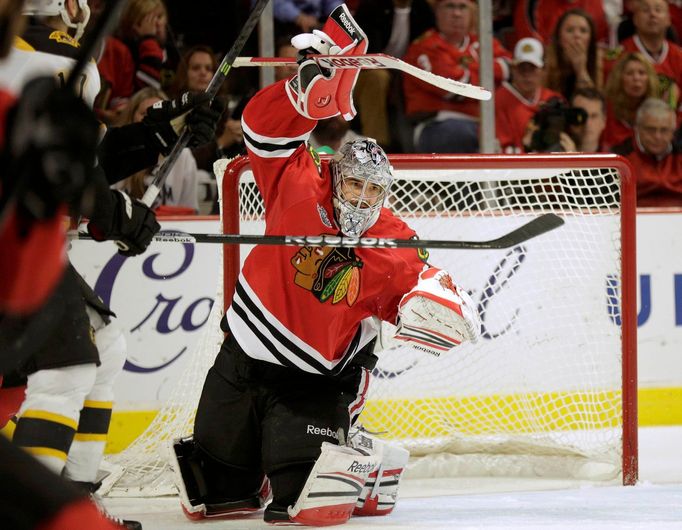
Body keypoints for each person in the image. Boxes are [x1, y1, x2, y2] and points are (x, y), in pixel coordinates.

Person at [169, 4, 481, 527]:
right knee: (214, 494)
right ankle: (265, 458)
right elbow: (262, 131)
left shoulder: (392, 238)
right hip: (244, 354)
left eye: (375, 190)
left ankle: (364, 459)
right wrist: (302, 96)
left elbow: (430, 282)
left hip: (316, 378)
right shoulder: (296, 183)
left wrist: (440, 308)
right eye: (354, 183)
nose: (362, 197)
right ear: (335, 175)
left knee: (306, 503)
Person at [403, 0, 511, 153]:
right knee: (468, 134)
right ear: (437, 12)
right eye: (450, 6)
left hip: (482, 124)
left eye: (462, 7)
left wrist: (467, 69)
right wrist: (489, 74)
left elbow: (509, 69)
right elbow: (456, 90)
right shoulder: (424, 47)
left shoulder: (482, 42)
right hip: (438, 125)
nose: (457, 14)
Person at [352, 0, 434, 147]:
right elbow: (366, 55)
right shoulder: (371, 7)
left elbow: (427, 48)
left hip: (407, 71)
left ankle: (418, 144)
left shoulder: (422, 9)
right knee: (379, 78)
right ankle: (376, 145)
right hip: (365, 72)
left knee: (416, 78)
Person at [113, 87, 207, 213]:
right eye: (145, 114)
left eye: (159, 115)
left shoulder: (183, 156)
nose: (152, 121)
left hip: (171, 230)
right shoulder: (116, 151)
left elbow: (190, 211)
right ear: (131, 117)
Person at [611, 0, 682, 112]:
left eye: (658, 10)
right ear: (635, 19)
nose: (653, 14)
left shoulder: (680, 56)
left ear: (669, 19)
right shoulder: (617, 56)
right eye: (646, 10)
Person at [495, 37, 564, 153]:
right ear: (513, 69)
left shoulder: (554, 100)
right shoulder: (499, 100)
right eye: (522, 69)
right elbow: (501, 149)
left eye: (532, 69)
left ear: (543, 70)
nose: (527, 75)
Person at [612, 97, 682, 205]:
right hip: (635, 218)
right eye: (651, 129)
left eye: (664, 130)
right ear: (637, 128)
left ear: (673, 131)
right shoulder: (620, 158)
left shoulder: (679, 155)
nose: (657, 136)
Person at [602, 51, 660, 149]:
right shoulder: (607, 109)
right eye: (629, 73)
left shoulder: (657, 111)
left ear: (649, 79)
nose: (636, 78)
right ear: (619, 78)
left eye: (641, 73)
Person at [543, 8, 604, 100]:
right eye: (570, 30)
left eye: (583, 31)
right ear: (559, 37)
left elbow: (592, 105)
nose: (577, 35)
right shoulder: (545, 61)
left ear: (590, 39)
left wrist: (581, 70)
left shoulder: (599, 62)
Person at [513, 0, 610, 45]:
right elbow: (531, 45)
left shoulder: (597, 4)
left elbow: (601, 44)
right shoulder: (533, 4)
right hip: (547, 67)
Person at [567, 87, 607, 152]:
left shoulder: (617, 158)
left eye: (593, 116)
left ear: (603, 121)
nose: (587, 123)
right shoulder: (552, 155)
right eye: (581, 116)